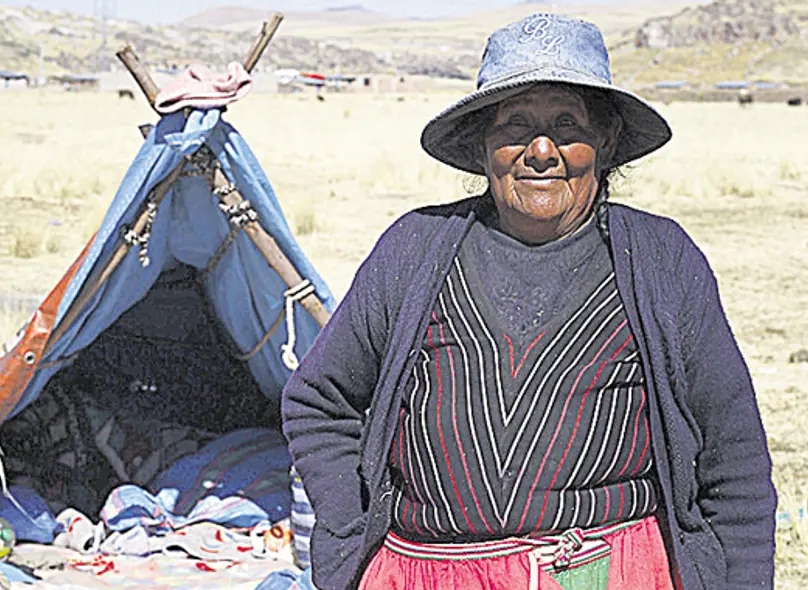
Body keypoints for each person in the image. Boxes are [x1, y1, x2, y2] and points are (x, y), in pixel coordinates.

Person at [281, 13, 776, 590]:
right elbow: (319, 399)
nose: (541, 150)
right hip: (426, 576)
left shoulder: (661, 262)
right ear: (483, 144)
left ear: (606, 142)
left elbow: (734, 462)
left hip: (609, 575)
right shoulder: (414, 250)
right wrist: (351, 534)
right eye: (516, 126)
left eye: (567, 125)